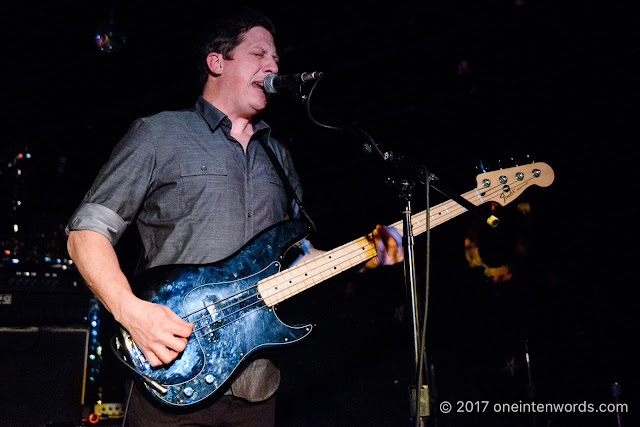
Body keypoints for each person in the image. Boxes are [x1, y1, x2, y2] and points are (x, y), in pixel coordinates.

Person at [66, 6, 403, 426]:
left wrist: (367, 253)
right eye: (260, 54)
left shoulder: (279, 157)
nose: (273, 66)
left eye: (277, 59)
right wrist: (131, 312)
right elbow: (85, 233)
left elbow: (299, 258)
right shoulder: (159, 134)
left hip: (258, 388)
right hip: (171, 375)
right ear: (217, 61)